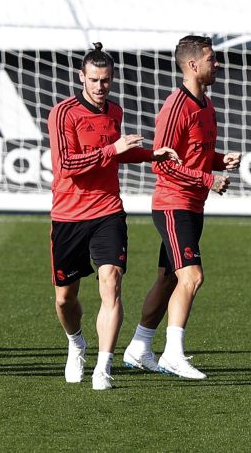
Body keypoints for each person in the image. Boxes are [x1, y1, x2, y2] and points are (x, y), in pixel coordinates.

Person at [47, 43, 179, 390]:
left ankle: (103, 367)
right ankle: (77, 344)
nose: (100, 86)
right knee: (65, 298)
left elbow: (116, 157)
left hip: (108, 211)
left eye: (106, 80)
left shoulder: (114, 112)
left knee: (112, 282)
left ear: (112, 79)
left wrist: (151, 155)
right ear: (81, 77)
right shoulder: (63, 114)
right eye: (94, 79)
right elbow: (67, 166)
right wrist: (112, 149)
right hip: (69, 215)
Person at [122, 35, 241, 380]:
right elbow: (162, 163)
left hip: (192, 205)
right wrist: (208, 180)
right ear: (192, 65)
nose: (216, 64)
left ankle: (139, 347)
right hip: (173, 204)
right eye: (211, 58)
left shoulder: (206, 105)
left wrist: (220, 161)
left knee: (167, 281)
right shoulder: (176, 106)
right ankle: (174, 354)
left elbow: (195, 155)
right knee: (192, 276)